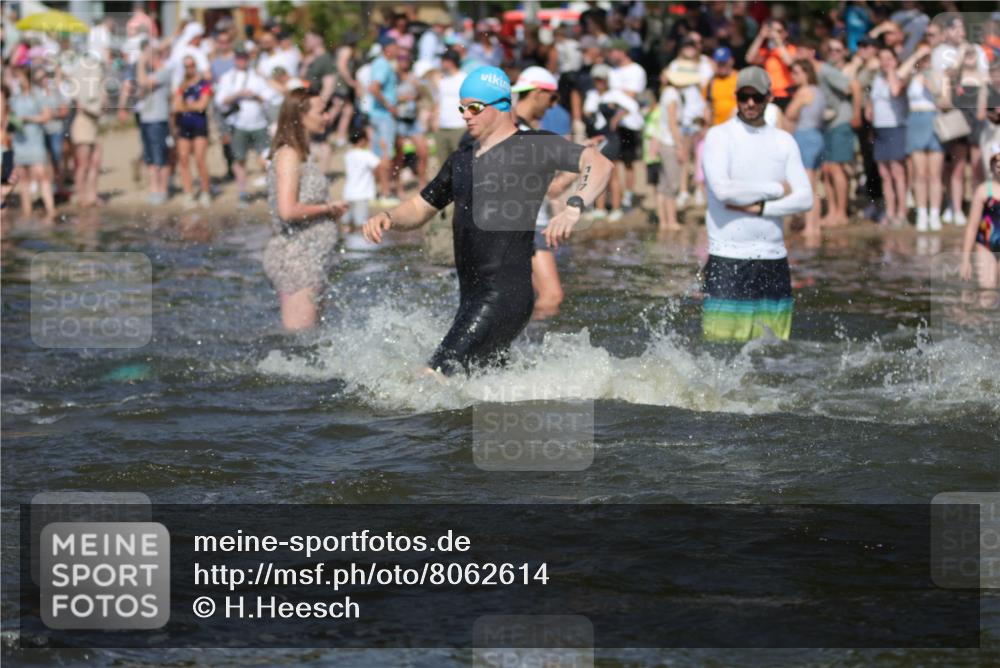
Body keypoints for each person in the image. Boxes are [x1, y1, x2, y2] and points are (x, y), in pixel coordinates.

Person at [362, 66, 613, 376]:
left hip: (504, 296)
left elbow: (597, 162)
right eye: (462, 108)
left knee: (432, 379)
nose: (466, 115)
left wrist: (574, 207)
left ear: (502, 105)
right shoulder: (462, 159)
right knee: (475, 390)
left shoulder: (533, 146)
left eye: (475, 108)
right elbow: (420, 206)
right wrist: (389, 217)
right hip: (470, 298)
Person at [701, 66, 813, 343]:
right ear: (737, 96)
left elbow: (805, 198)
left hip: (773, 257)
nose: (750, 103)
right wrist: (776, 189)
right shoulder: (719, 136)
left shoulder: (784, 141)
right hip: (728, 256)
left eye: (757, 97)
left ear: (769, 98)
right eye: (744, 96)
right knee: (719, 348)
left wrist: (763, 208)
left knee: (774, 351)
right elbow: (723, 191)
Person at [264, 88, 348, 331]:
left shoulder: (303, 154)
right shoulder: (289, 154)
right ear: (300, 116)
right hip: (297, 261)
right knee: (300, 342)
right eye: (321, 111)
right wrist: (328, 208)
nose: (327, 117)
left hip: (312, 257)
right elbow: (287, 211)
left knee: (314, 341)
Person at [511, 65, 573, 320]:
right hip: (528, 226)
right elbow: (549, 189)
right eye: (552, 97)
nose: (552, 105)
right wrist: (578, 168)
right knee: (551, 296)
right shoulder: (522, 133)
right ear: (537, 93)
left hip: (517, 225)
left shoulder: (514, 127)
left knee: (526, 296)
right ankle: (530, 349)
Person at [216, 47, 275, 207]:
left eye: (244, 58)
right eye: (239, 58)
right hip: (238, 125)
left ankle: (272, 192)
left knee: (266, 159)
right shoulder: (228, 77)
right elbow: (220, 102)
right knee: (239, 159)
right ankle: (242, 194)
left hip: (259, 124)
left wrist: (255, 95)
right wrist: (239, 95)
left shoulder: (257, 76)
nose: (241, 61)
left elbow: (271, 97)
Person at [899, 42, 944, 231]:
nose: (926, 62)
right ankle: (922, 213)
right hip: (916, 121)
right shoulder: (911, 76)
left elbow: (944, 100)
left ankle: (934, 214)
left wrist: (931, 81)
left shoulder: (940, 75)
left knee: (934, 174)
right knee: (919, 173)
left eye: (928, 58)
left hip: (933, 120)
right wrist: (916, 55)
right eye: (923, 59)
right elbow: (899, 75)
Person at [868, 47, 908, 227]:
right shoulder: (876, 79)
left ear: (895, 60)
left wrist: (892, 70)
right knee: (884, 174)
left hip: (895, 128)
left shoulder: (899, 76)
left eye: (889, 58)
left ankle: (902, 212)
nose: (885, 62)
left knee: (897, 172)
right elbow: (872, 103)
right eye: (882, 59)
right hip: (880, 130)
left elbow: (894, 91)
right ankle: (890, 211)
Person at [785, 59, 826, 237]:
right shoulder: (819, 91)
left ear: (806, 74)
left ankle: (811, 227)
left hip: (805, 137)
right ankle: (813, 225)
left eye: (796, 72)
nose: (793, 76)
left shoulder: (804, 92)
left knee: (807, 186)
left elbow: (790, 114)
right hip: (817, 136)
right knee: (813, 185)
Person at [817, 38, 854, 228]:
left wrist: (855, 116)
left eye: (838, 50)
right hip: (827, 125)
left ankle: (841, 213)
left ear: (845, 52)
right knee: (827, 170)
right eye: (830, 50)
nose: (833, 53)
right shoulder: (827, 69)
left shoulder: (830, 70)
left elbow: (853, 87)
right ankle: (832, 212)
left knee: (837, 168)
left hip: (840, 123)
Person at [9, 68, 55, 218]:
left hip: (35, 140)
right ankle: (27, 211)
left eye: (19, 77)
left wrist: (29, 119)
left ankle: (51, 210)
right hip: (20, 142)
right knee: (23, 178)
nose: (17, 80)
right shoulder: (15, 98)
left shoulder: (37, 95)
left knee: (42, 174)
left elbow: (47, 116)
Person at [606, 39, 646, 213]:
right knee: (613, 161)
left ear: (623, 52)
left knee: (628, 162)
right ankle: (616, 196)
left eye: (614, 50)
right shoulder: (612, 71)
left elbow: (631, 96)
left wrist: (617, 114)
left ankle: (628, 197)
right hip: (613, 123)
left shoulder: (636, 70)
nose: (611, 54)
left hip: (630, 122)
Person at [173, 55, 212, 208]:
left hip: (199, 125)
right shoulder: (182, 85)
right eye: (186, 66)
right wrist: (189, 106)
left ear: (195, 66)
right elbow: (175, 106)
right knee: (183, 159)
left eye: (191, 65)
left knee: (199, 159)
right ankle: (188, 193)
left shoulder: (204, 84)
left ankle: (205, 191)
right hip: (184, 125)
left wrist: (185, 106)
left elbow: (202, 105)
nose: (189, 68)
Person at [136, 40, 172, 204]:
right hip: (146, 119)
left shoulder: (164, 72)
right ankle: (153, 188)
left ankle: (162, 189)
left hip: (158, 119)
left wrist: (140, 64)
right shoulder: (150, 74)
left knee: (161, 157)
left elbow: (143, 83)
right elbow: (139, 90)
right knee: (150, 157)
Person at [961, 142, 1000, 289]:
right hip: (986, 245)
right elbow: (972, 227)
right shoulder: (983, 191)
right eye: (997, 163)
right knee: (987, 290)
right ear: (991, 167)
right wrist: (965, 260)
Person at [68, 58, 105, 209]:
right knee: (83, 164)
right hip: (83, 124)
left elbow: (102, 105)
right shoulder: (80, 83)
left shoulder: (97, 83)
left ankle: (92, 195)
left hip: (95, 124)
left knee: (96, 162)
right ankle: (81, 196)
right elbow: (80, 106)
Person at [367, 38, 401, 206]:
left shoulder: (378, 63)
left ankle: (376, 192)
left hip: (376, 115)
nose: (399, 50)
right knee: (385, 154)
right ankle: (385, 193)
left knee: (377, 154)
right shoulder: (383, 64)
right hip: (383, 116)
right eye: (396, 46)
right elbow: (373, 88)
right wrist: (389, 106)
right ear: (389, 47)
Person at [655, 66, 684, 231]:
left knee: (663, 183)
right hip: (670, 142)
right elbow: (673, 123)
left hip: (662, 141)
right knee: (672, 184)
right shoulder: (673, 94)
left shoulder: (665, 92)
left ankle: (663, 222)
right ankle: (671, 221)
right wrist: (680, 146)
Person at [747, 19, 797, 110]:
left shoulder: (791, 49)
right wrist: (760, 36)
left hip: (786, 95)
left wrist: (778, 40)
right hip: (769, 96)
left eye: (779, 31)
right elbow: (749, 58)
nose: (775, 34)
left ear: (786, 33)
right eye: (772, 30)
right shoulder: (766, 51)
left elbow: (789, 62)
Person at [342, 126, 380, 229]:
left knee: (346, 223)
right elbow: (380, 166)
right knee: (361, 224)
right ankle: (360, 243)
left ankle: (347, 242)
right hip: (361, 195)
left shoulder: (348, 155)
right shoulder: (366, 154)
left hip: (348, 194)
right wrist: (384, 150)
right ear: (363, 140)